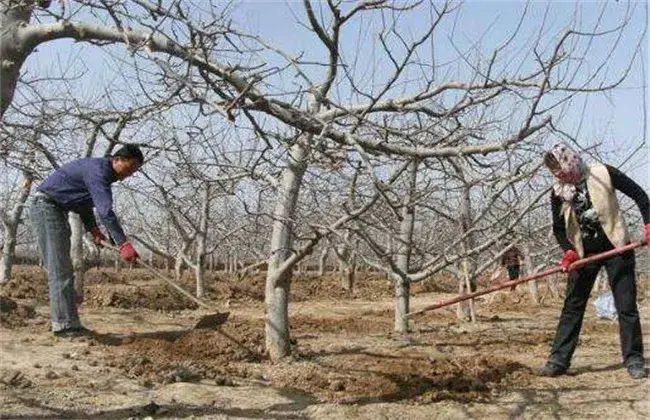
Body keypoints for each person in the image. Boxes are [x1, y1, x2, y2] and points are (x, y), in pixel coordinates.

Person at [540, 143, 650, 379]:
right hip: (583, 254)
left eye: (563, 170)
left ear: (571, 160)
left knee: (626, 306)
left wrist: (649, 223)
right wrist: (569, 251)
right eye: (557, 174)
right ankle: (559, 359)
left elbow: (640, 195)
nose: (561, 176)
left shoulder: (603, 173)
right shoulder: (558, 191)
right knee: (572, 306)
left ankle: (633, 359)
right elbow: (559, 229)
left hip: (617, 246)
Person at [30, 145, 143, 338]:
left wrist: (94, 230)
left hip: (55, 208)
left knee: (64, 269)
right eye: (130, 167)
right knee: (60, 268)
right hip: (47, 207)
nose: (130, 174)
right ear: (118, 159)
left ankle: (70, 324)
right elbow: (105, 211)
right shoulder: (99, 172)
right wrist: (123, 243)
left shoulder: (99, 172)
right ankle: (64, 326)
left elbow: (83, 203)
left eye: (135, 170)